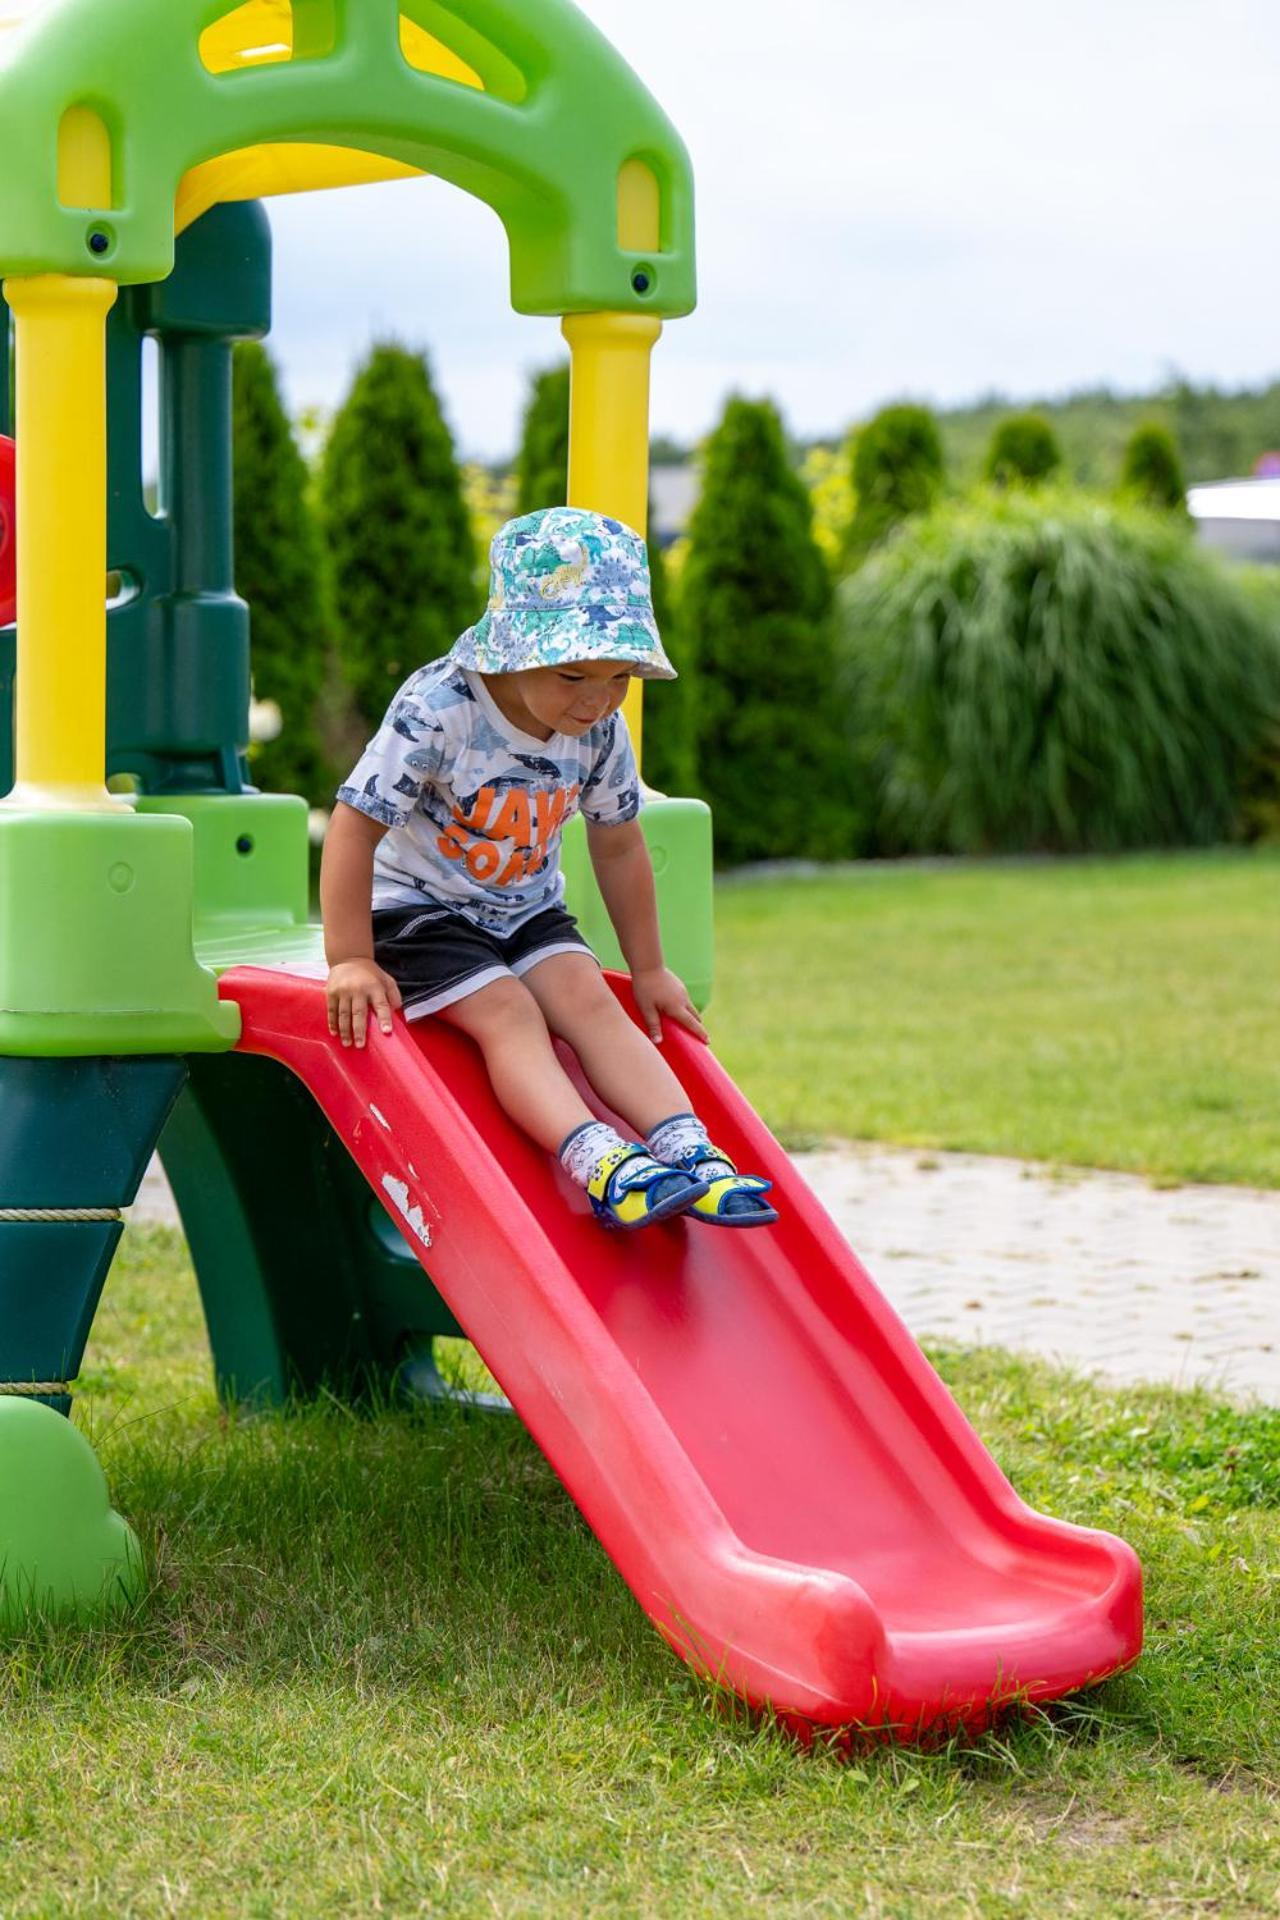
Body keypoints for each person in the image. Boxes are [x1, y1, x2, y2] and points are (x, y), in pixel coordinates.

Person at [321, 506, 776, 1232]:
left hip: (525, 905)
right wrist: (348, 958)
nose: (597, 698)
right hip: (417, 911)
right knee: (509, 1011)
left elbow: (619, 843)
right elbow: (353, 826)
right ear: (514, 648)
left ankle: (690, 1150)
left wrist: (651, 969)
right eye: (573, 674)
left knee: (590, 998)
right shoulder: (440, 708)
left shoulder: (597, 730)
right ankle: (599, 1160)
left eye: (619, 677)